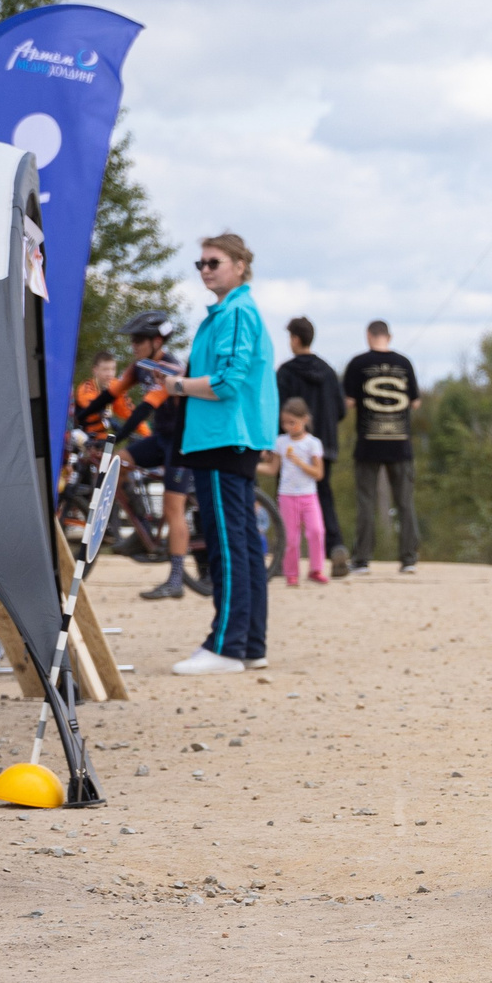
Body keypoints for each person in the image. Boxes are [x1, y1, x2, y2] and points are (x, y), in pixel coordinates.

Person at [169, 234, 277, 674]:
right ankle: (250, 644)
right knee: (245, 543)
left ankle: (226, 647)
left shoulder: (234, 312)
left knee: (228, 545)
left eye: (214, 261)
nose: (206, 269)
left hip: (222, 438)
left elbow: (227, 382)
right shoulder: (231, 313)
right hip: (232, 437)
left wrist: (176, 385)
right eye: (200, 263)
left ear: (240, 265)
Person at [121, 313, 200, 599]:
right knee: (118, 462)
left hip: (182, 443)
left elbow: (147, 407)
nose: (133, 345)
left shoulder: (170, 367)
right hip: (161, 438)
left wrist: (120, 432)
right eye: (132, 340)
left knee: (172, 507)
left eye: (138, 340)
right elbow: (114, 395)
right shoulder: (142, 366)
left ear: (156, 341)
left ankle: (176, 579)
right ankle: (141, 530)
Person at [342, 320, 419, 574]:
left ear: (368, 336)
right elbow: (415, 402)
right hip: (400, 442)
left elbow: (349, 401)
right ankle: (409, 559)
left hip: (369, 442)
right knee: (405, 502)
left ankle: (362, 559)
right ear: (390, 336)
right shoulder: (404, 364)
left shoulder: (358, 364)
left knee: (366, 501)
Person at [275, 318, 347, 576]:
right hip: (322, 445)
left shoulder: (285, 372)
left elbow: (276, 410)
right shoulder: (328, 371)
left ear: (295, 338)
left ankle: (284, 557)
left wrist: (276, 441)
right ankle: (336, 546)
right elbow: (340, 410)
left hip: (292, 448)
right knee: (322, 497)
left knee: (286, 500)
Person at [270, 397, 329, 586]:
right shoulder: (280, 442)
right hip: (287, 495)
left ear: (304, 419)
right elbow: (273, 469)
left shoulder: (313, 443)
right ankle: (291, 572)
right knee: (290, 536)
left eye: (292, 422)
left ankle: (316, 569)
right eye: (284, 423)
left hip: (308, 494)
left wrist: (299, 462)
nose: (288, 427)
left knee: (316, 531)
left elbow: (318, 473)